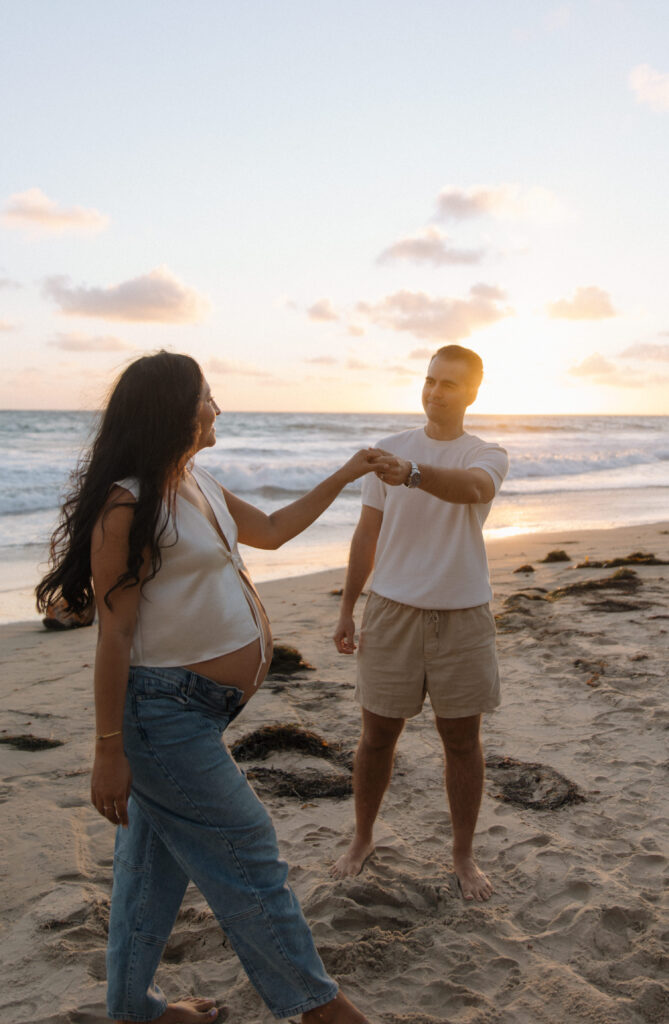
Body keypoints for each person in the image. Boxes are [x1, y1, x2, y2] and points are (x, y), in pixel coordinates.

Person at [36, 351, 392, 1024]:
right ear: (173, 409)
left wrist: (345, 473)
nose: (217, 407)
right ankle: (319, 1008)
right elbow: (113, 639)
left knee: (148, 872)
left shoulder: (197, 484)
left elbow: (276, 532)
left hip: (197, 715)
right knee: (248, 846)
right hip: (158, 717)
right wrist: (108, 749)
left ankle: (131, 1008)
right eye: (206, 396)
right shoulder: (127, 506)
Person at [332, 344, 509, 901]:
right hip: (390, 611)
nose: (435, 392)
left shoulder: (486, 452)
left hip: (463, 615)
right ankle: (362, 838)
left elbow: (474, 490)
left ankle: (462, 854)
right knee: (377, 737)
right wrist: (347, 606)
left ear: (473, 392)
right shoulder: (389, 451)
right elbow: (367, 535)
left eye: (449, 384)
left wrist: (411, 474)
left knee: (462, 741)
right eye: (430, 380)